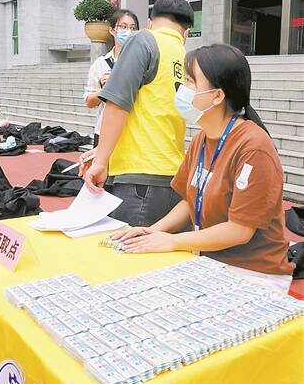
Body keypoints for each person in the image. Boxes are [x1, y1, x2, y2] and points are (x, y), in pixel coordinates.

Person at [113, 44, 294, 292]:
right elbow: (189, 201)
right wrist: (151, 231)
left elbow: (239, 230)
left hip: (253, 273)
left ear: (217, 96)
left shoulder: (253, 147)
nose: (181, 89)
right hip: (210, 261)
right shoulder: (202, 138)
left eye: (190, 81)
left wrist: (173, 241)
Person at [81, 0, 194, 226]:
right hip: (172, 175)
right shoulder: (186, 57)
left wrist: (100, 162)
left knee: (129, 245)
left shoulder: (144, 41)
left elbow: (117, 104)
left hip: (138, 178)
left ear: (150, 22)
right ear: (186, 32)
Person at [83, 9, 139, 147]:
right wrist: (106, 90)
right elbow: (89, 101)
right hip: (104, 132)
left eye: (133, 28)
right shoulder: (100, 64)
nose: (129, 32)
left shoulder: (142, 63)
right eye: (123, 27)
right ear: (112, 30)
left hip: (134, 134)